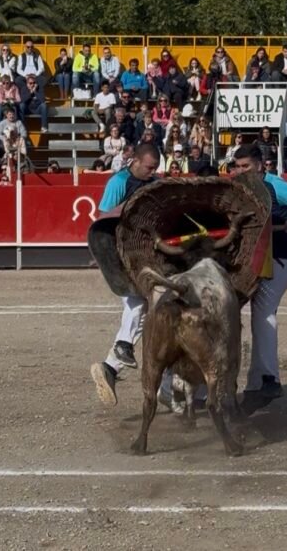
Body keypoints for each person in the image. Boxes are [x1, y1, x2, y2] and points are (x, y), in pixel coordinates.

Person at [232, 144, 287, 406]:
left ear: (260, 164)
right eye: (238, 166)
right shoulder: (237, 187)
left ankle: (269, 379)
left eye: (246, 166)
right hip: (253, 261)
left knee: (262, 310)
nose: (241, 171)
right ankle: (257, 385)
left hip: (281, 257)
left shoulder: (275, 185)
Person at [90, 144, 162, 404]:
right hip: (124, 252)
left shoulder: (155, 183)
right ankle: (124, 349)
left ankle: (111, 367)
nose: (153, 172)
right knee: (136, 300)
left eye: (155, 167)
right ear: (135, 161)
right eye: (149, 167)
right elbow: (104, 219)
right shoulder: (119, 181)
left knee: (149, 307)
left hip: (147, 253)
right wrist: (105, 255)